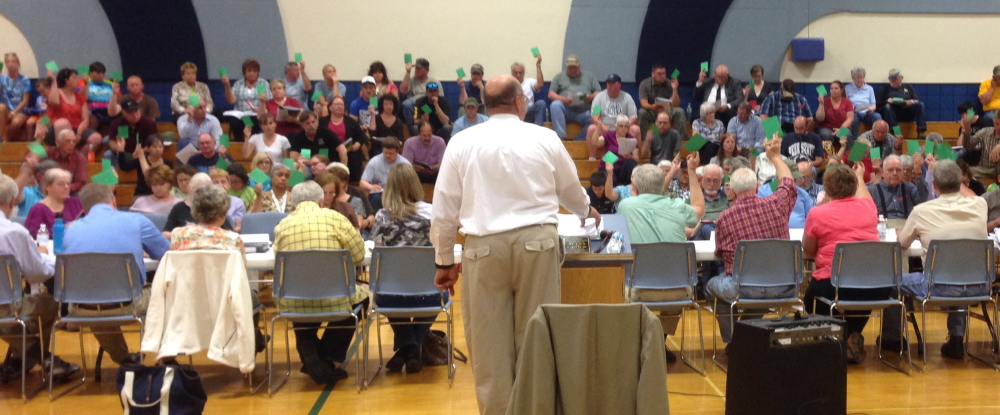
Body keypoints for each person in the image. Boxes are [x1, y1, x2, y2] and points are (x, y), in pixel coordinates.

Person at [431, 75, 600, 415]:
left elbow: (444, 208)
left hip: (483, 247)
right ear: (520, 102)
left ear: (484, 105)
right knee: (536, 338)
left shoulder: (461, 142)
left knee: (489, 347)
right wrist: (586, 209)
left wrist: (444, 260)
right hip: (536, 243)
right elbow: (569, 188)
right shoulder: (544, 137)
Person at [881, 160, 988, 359]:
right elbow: (967, 194)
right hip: (979, 286)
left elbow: (902, 245)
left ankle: (892, 338)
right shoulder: (980, 204)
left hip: (935, 287)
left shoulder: (921, 211)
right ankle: (956, 338)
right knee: (961, 274)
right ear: (961, 182)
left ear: (934, 185)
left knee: (890, 280)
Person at [62, 183, 170, 366]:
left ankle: (124, 359)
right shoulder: (136, 220)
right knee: (169, 290)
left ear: (84, 209)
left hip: (81, 307)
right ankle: (166, 357)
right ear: (113, 200)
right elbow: (167, 254)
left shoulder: (70, 230)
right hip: (130, 304)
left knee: (97, 295)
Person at [273, 181, 368, 384]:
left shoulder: (282, 226)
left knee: (304, 303)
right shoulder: (336, 219)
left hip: (293, 301)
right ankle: (325, 357)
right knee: (362, 300)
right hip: (335, 297)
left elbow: (277, 261)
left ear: (293, 204)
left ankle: (312, 356)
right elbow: (359, 255)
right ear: (321, 201)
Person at [706, 134, 798, 344]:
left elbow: (721, 253)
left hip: (744, 287)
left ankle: (735, 342)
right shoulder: (777, 205)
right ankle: (746, 335)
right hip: (783, 286)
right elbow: (788, 183)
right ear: (757, 187)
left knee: (712, 287)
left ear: (732, 191)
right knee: (762, 291)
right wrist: (775, 157)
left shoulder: (724, 218)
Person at [618, 158, 704, 362]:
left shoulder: (625, 206)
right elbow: (699, 210)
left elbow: (648, 196)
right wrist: (691, 171)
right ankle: (659, 340)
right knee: (671, 299)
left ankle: (644, 343)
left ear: (635, 187)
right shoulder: (677, 206)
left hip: (638, 289)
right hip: (680, 290)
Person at [167, 183, 267, 356]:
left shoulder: (178, 235)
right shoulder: (233, 239)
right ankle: (253, 343)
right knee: (253, 298)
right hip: (225, 301)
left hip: (187, 300)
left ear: (195, 210)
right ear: (223, 212)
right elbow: (241, 273)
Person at [0, 174, 79, 382]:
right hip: (6, 306)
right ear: (10, 202)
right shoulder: (12, 232)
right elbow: (37, 273)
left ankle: (22, 360)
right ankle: (41, 358)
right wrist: (50, 260)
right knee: (48, 303)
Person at [802, 163, 882, 364]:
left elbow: (808, 250)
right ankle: (852, 332)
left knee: (812, 296)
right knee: (860, 291)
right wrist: (860, 176)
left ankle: (831, 339)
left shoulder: (817, 214)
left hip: (833, 285)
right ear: (854, 186)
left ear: (826, 190)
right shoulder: (868, 208)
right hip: (874, 285)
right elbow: (864, 195)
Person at [370, 164, 439, 373]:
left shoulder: (382, 216)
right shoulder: (432, 214)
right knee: (438, 294)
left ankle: (406, 349)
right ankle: (412, 348)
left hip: (391, 295)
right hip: (427, 294)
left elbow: (378, 256)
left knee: (389, 292)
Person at [586, 74, 640, 159]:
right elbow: (595, 116)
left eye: (613, 83)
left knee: (635, 129)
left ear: (619, 85)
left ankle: (633, 159)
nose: (610, 86)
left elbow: (633, 117)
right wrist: (602, 126)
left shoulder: (627, 97)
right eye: (608, 83)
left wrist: (622, 127)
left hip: (622, 129)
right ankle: (592, 159)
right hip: (605, 130)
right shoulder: (599, 97)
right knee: (591, 128)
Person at [547, 54, 601, 140]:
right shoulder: (559, 77)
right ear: (566, 67)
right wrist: (563, 99)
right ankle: (561, 137)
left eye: (574, 67)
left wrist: (590, 97)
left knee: (595, 118)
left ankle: (577, 140)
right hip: (566, 110)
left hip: (585, 111)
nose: (572, 70)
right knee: (555, 105)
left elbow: (599, 93)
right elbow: (551, 94)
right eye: (570, 68)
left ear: (579, 66)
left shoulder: (589, 76)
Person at [164, 173, 233, 235]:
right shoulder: (178, 208)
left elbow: (229, 231)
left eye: (209, 189)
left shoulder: (216, 206)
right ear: (190, 188)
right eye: (200, 189)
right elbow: (165, 233)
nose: (205, 193)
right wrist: (186, 232)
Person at [221, 59, 270, 141]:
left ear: (258, 72)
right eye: (249, 71)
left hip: (257, 114)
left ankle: (254, 143)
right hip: (241, 115)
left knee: (256, 120)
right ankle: (239, 143)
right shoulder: (238, 84)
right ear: (244, 72)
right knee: (234, 121)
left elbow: (269, 101)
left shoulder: (263, 83)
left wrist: (261, 108)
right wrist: (227, 85)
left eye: (255, 71)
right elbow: (231, 100)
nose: (252, 73)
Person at [868, 155, 924, 224]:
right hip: (883, 228)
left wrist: (918, 172)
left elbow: (923, 205)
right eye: (890, 170)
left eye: (898, 170)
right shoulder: (872, 190)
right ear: (882, 173)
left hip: (907, 226)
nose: (895, 173)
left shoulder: (909, 187)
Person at [319, 96, 367, 178]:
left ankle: (349, 180)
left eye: (341, 104)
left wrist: (357, 145)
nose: (339, 106)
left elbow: (360, 136)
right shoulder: (322, 122)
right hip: (327, 149)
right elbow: (319, 138)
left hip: (348, 149)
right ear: (330, 107)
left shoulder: (351, 122)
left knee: (354, 156)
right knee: (322, 156)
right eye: (336, 104)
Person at [361, 137, 410, 211]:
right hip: (380, 194)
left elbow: (410, 184)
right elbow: (362, 183)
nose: (387, 155)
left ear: (397, 152)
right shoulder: (374, 161)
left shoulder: (405, 163)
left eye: (391, 153)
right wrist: (371, 187)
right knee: (375, 198)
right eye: (385, 152)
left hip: (398, 194)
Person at [637, 64, 685, 138]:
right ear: (653, 74)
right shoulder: (645, 84)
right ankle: (643, 138)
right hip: (652, 111)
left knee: (679, 111)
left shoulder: (669, 83)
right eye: (659, 74)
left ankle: (681, 138)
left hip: (666, 111)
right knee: (642, 112)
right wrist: (652, 106)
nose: (663, 76)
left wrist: (675, 89)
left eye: (664, 73)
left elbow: (676, 104)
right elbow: (643, 103)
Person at [45, 68, 90, 143]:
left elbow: (85, 119)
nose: (78, 80)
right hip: (56, 128)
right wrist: (53, 80)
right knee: (63, 123)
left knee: (96, 138)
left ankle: (79, 154)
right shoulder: (56, 94)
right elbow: (54, 102)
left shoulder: (79, 97)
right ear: (66, 80)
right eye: (74, 77)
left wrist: (79, 132)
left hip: (75, 128)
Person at [876, 69, 926, 137]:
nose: (896, 81)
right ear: (889, 79)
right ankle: (896, 132)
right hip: (893, 113)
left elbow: (916, 100)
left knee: (920, 105)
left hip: (906, 110)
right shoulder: (884, 89)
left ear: (901, 78)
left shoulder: (908, 87)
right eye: (893, 79)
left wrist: (910, 101)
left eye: (897, 79)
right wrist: (888, 101)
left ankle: (921, 131)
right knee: (887, 107)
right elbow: (878, 104)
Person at [107, 99, 158, 164]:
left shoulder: (149, 123)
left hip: (143, 153)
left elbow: (154, 143)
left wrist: (141, 151)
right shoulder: (117, 123)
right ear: (124, 113)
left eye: (136, 111)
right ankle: (113, 173)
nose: (134, 114)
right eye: (130, 112)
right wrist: (118, 149)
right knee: (108, 154)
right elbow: (112, 141)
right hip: (124, 154)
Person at [595, 115, 640, 186]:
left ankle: (631, 189)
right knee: (612, 179)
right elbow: (595, 143)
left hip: (623, 169)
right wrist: (598, 127)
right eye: (621, 126)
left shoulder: (631, 139)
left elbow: (636, 158)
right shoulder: (609, 135)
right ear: (616, 127)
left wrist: (630, 156)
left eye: (626, 126)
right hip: (608, 167)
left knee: (631, 162)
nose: (623, 128)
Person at [399, 58, 441, 133]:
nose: (416, 70)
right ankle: (412, 130)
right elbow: (402, 91)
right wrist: (408, 72)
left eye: (419, 68)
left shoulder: (434, 82)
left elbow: (441, 98)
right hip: (416, 107)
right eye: (416, 68)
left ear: (427, 70)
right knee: (406, 104)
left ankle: (431, 130)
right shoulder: (412, 80)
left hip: (429, 105)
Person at [327, 166, 374, 232]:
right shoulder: (325, 199)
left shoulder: (356, 200)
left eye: (334, 181)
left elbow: (358, 224)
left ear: (343, 182)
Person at [44, 129, 89, 193]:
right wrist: (39, 140)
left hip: (69, 192)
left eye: (74, 141)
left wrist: (62, 188)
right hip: (48, 190)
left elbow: (81, 183)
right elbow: (30, 157)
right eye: (68, 141)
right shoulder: (49, 152)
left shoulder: (80, 158)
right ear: (58, 142)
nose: (71, 144)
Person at [0, 53, 31, 141]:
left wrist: (14, 112)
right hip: (6, 111)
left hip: (20, 111)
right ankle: (3, 140)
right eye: (8, 62)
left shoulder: (25, 80)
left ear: (18, 63)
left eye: (13, 61)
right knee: (1, 107)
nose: (10, 64)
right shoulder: (2, 78)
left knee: (16, 123)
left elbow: (25, 101)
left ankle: (6, 140)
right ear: (5, 64)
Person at [962, 110, 1000, 180]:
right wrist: (967, 131)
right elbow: (968, 146)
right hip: (983, 170)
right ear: (993, 122)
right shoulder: (985, 131)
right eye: (997, 124)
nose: (999, 127)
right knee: (963, 172)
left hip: (998, 171)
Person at [368, 94, 406, 160]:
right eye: (386, 104)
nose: (388, 107)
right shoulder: (376, 118)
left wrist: (393, 145)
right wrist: (373, 115)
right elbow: (372, 132)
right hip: (378, 148)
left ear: (394, 105)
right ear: (382, 105)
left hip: (393, 149)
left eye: (390, 104)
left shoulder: (398, 121)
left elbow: (401, 140)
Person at [81, 62, 116, 134]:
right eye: (98, 73)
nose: (101, 75)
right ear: (90, 73)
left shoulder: (110, 84)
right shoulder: (82, 83)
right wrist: (86, 84)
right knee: (93, 120)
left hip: (108, 111)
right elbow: (82, 99)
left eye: (103, 73)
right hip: (92, 111)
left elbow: (118, 99)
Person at [845, 67, 881, 137]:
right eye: (857, 78)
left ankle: (876, 138)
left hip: (867, 112)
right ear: (853, 79)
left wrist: (870, 109)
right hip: (854, 111)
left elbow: (874, 105)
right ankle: (855, 140)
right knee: (853, 118)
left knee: (877, 116)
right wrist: (852, 110)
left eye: (862, 77)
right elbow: (846, 103)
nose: (860, 80)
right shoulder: (848, 88)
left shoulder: (869, 88)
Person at [510, 57, 545, 125]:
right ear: (512, 73)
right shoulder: (507, 83)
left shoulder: (529, 81)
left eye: (521, 73)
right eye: (516, 73)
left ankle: (538, 129)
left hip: (528, 109)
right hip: (514, 110)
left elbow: (540, 84)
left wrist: (538, 66)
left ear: (524, 73)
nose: (518, 75)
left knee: (541, 103)